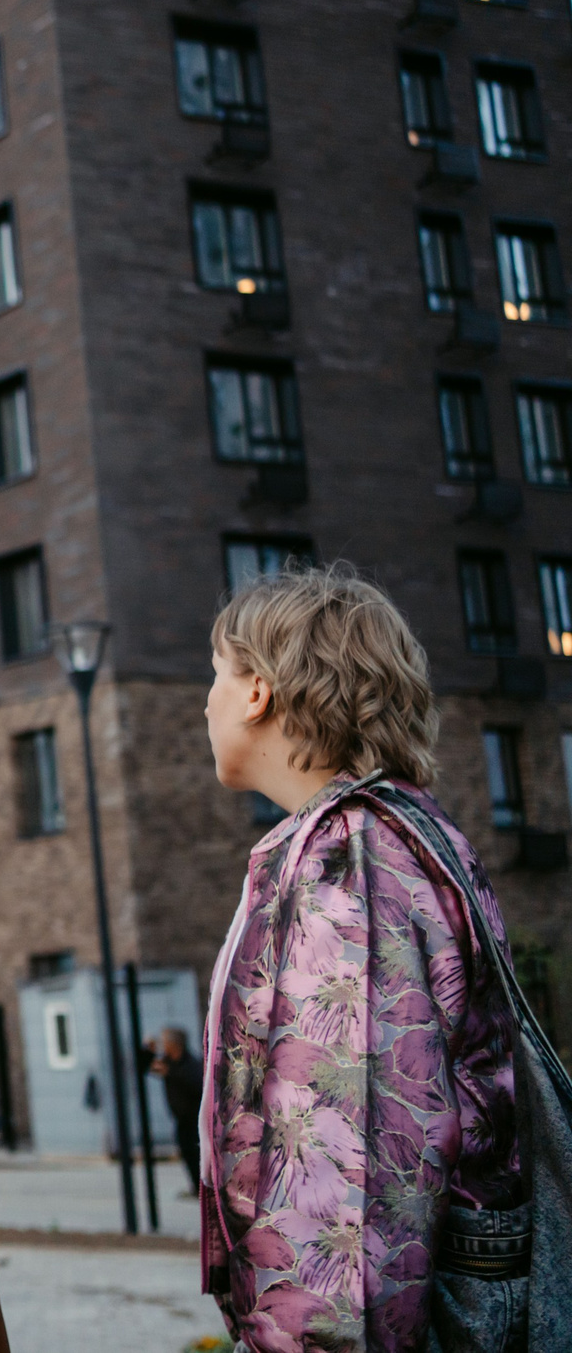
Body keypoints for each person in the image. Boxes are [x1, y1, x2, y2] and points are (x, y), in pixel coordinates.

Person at [200, 566, 520, 1353]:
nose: (203, 703)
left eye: (215, 675)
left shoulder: (347, 863)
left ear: (258, 692)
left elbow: (350, 1184)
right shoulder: (396, 834)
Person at [146, 1027, 203, 1193]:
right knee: (186, 1153)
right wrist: (148, 1051)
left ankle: (201, 1189)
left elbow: (197, 1085)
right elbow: (148, 1067)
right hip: (181, 1120)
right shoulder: (167, 1062)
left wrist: (171, 1074)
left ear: (173, 1044)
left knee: (196, 1154)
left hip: (195, 1120)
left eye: (165, 1042)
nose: (163, 1045)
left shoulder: (191, 1063)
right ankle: (196, 1188)